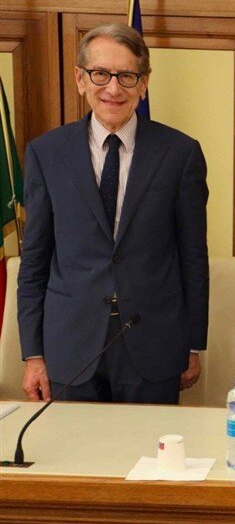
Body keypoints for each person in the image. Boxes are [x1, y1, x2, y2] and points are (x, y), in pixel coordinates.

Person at [18, 23, 209, 404]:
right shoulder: (46, 153)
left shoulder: (180, 154)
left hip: (154, 343)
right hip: (70, 344)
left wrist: (193, 343)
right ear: (80, 79)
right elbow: (35, 259)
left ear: (144, 83)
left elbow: (193, 256)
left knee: (150, 444)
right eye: (101, 74)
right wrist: (33, 353)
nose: (113, 88)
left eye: (127, 76)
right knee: (74, 443)